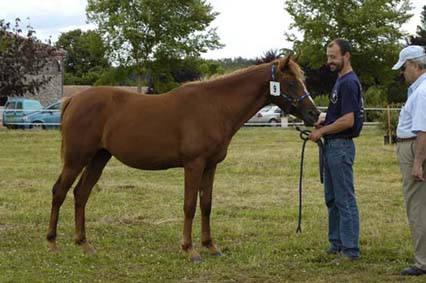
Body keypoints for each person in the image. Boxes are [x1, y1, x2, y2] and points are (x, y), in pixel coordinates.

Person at [309, 38, 364, 263]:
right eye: (328, 57)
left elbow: (349, 120)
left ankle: (350, 250)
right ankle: (337, 244)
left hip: (341, 147)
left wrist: (322, 132)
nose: (329, 61)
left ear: (346, 56)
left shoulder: (349, 83)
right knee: (332, 198)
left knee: (344, 199)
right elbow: (339, 116)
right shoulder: (340, 81)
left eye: (333, 57)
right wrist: (325, 123)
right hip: (334, 144)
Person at [392, 45, 426, 276]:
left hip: (414, 147)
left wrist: (417, 162)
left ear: (415, 65)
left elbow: (423, 130)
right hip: (414, 145)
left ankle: (422, 262)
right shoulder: (419, 90)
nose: (403, 73)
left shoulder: (422, 92)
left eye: (404, 68)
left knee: (417, 206)